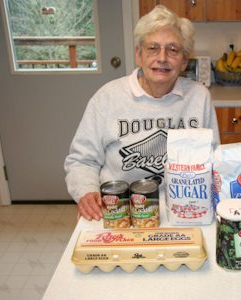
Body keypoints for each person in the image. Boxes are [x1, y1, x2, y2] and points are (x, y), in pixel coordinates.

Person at [64, 5, 220, 221]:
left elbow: (214, 161)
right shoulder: (108, 97)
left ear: (184, 61)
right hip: (119, 210)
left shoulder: (199, 97)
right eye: (153, 48)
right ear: (139, 55)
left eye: (173, 50)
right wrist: (87, 192)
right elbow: (82, 160)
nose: (162, 58)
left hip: (185, 210)